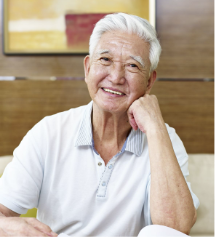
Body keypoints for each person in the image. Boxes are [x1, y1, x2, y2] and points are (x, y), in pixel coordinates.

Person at [0, 13, 199, 237]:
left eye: (133, 65)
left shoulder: (165, 139)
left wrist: (155, 128)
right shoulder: (49, 133)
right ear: (87, 68)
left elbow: (174, 229)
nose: (115, 77)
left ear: (149, 81)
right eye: (105, 60)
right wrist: (8, 226)